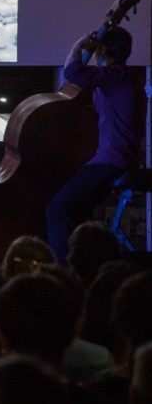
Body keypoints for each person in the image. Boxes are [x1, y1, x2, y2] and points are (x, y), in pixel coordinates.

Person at [47, 24, 139, 265]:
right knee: (77, 212)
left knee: (56, 209)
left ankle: (63, 274)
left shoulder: (115, 74)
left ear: (104, 51)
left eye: (99, 50)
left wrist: (79, 45)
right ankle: (83, 267)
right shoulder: (118, 77)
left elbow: (73, 72)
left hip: (111, 160)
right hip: (112, 157)